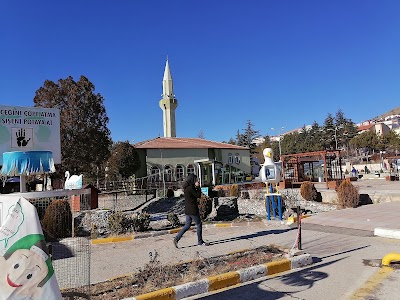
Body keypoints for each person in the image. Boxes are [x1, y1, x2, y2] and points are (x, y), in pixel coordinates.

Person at [173, 174, 208, 248]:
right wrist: (198, 187)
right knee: (199, 224)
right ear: (192, 180)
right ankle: (200, 242)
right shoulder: (191, 188)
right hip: (193, 209)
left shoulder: (186, 188)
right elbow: (198, 195)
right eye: (195, 179)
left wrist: (195, 187)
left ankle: (176, 238)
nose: (196, 181)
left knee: (187, 225)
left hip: (187, 209)